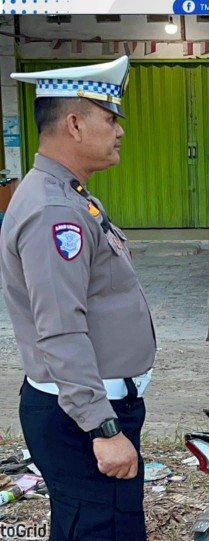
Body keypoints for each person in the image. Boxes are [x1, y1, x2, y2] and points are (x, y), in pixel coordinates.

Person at [0, 56, 156, 540]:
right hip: (82, 418)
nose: (120, 131)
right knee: (98, 528)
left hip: (92, 411)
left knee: (107, 523)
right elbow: (61, 328)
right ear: (74, 123)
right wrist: (103, 430)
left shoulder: (70, 194)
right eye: (110, 119)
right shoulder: (54, 210)